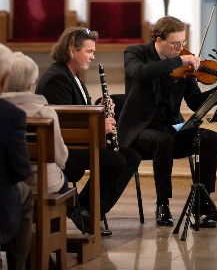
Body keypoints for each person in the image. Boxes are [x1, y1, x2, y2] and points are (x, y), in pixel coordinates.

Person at [117, 15, 217, 227]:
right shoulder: (135, 54)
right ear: (159, 39)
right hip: (140, 129)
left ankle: (203, 204)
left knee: (210, 138)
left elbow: (196, 102)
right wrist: (179, 60)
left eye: (183, 43)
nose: (181, 48)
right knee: (164, 141)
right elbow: (141, 73)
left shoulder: (185, 65)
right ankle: (163, 205)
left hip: (171, 126)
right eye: (176, 44)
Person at [36, 27, 141, 232]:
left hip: (79, 142)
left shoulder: (73, 75)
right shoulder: (56, 79)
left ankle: (88, 209)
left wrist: (100, 107)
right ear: (72, 50)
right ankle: (83, 209)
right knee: (116, 161)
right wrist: (99, 129)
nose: (93, 57)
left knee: (131, 156)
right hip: (64, 149)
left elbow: (79, 111)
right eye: (89, 51)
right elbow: (64, 125)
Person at [2, 51, 68, 194]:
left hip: (7, 181)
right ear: (31, 83)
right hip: (41, 183)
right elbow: (60, 157)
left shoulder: (3, 110)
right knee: (63, 180)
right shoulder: (44, 113)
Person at [0, 44, 33, 270]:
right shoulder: (10, 115)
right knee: (25, 192)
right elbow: (21, 170)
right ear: (4, 80)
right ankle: (18, 264)